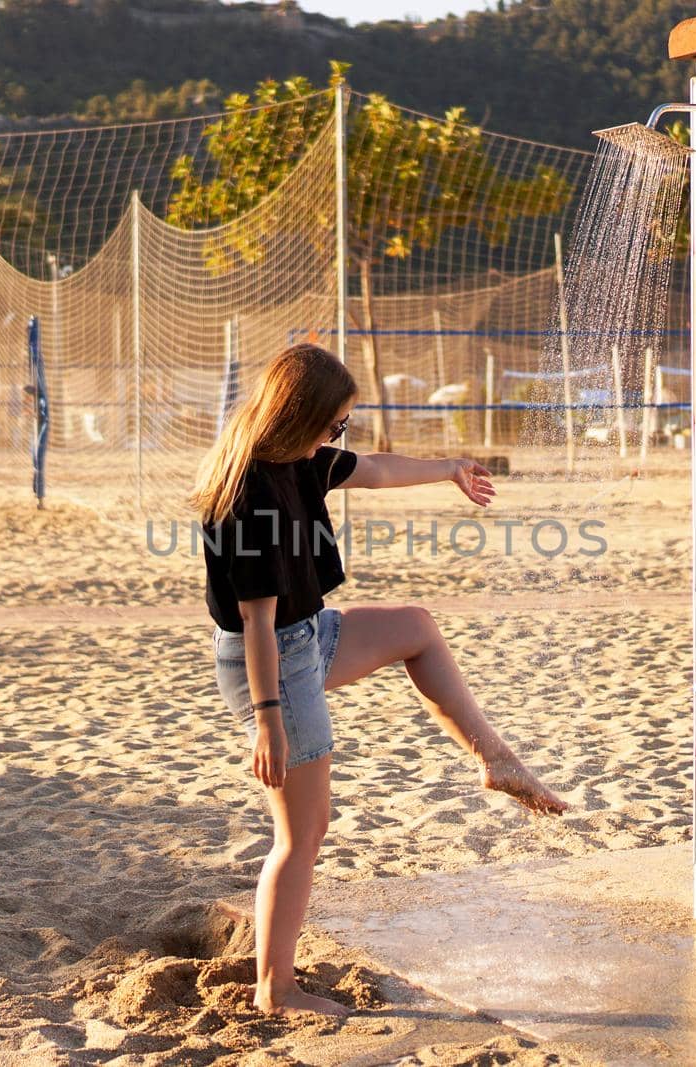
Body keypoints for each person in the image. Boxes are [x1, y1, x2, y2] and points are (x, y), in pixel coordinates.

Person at [190, 342, 568, 1019]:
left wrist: (449, 467)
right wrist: (270, 720)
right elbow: (254, 621)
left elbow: (376, 468)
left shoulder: (298, 461)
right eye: (335, 424)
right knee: (302, 834)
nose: (340, 438)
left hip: (305, 636)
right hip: (267, 662)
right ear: (299, 415)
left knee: (415, 627)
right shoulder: (247, 491)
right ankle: (275, 989)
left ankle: (495, 760)